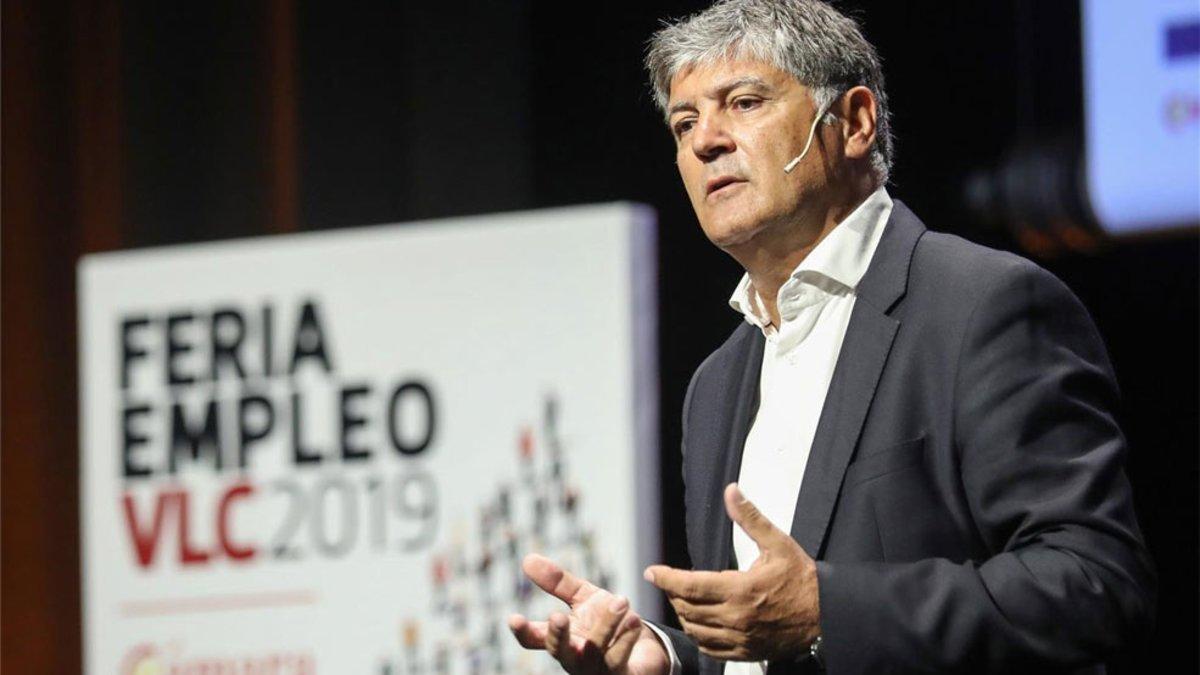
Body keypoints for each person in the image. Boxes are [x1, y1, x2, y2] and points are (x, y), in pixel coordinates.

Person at [508, 0, 1156, 672]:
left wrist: (829, 610)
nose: (706, 141)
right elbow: (769, 647)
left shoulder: (981, 305)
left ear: (853, 121)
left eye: (745, 102)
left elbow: (1096, 582)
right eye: (684, 121)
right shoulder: (716, 384)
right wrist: (667, 657)